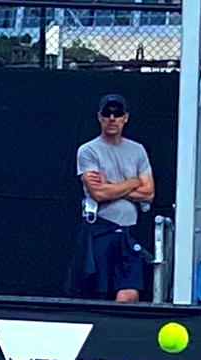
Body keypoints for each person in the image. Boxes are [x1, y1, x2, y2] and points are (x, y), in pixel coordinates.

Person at [66, 94, 155, 302]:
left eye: (117, 113)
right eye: (107, 113)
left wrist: (111, 186)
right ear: (100, 117)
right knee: (98, 294)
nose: (112, 118)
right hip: (101, 229)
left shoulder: (137, 150)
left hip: (128, 231)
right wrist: (132, 182)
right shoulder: (88, 151)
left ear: (125, 117)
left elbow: (149, 193)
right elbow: (98, 193)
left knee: (129, 293)